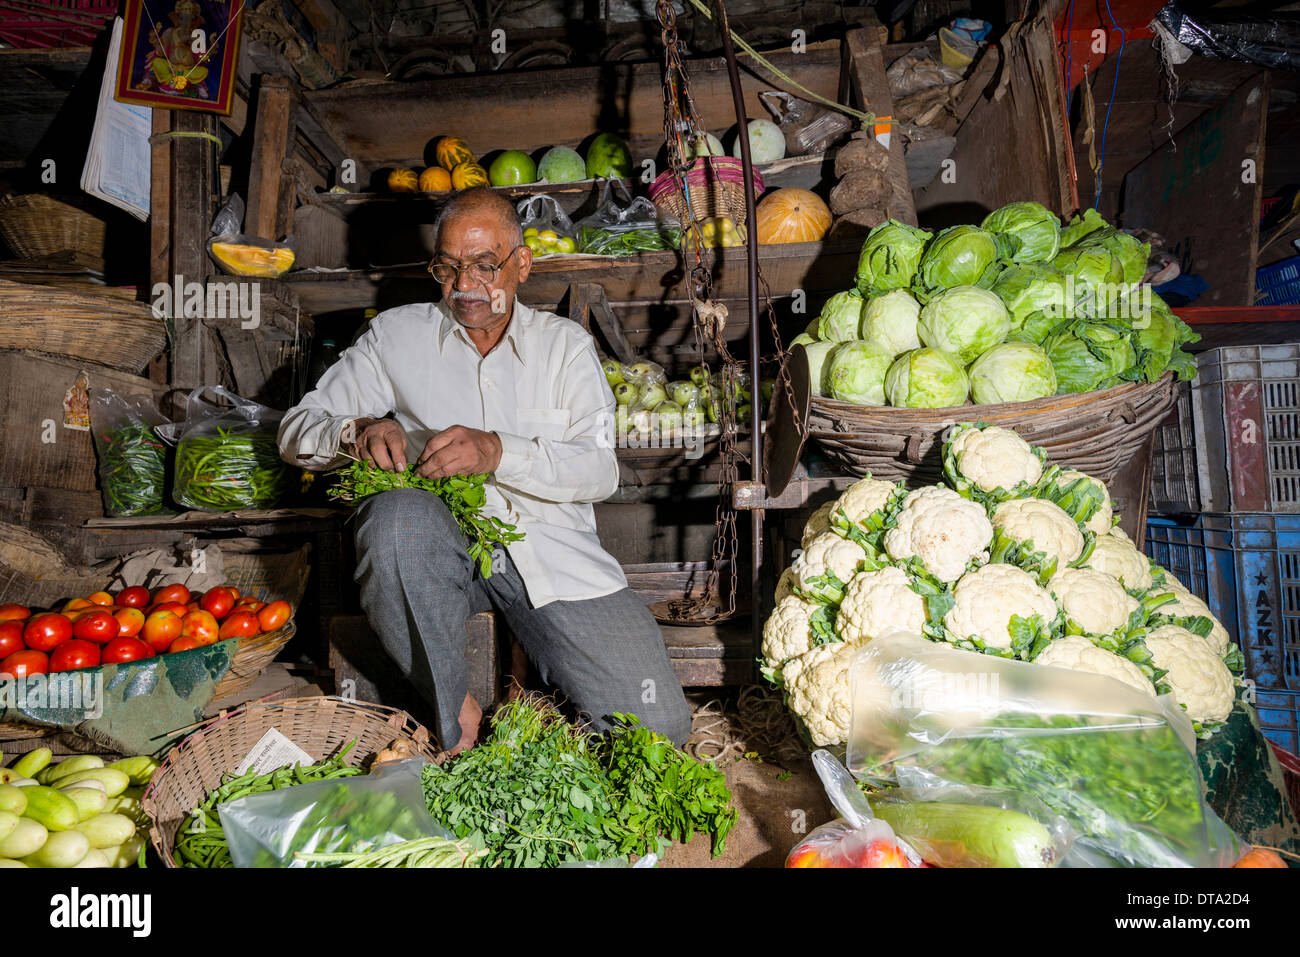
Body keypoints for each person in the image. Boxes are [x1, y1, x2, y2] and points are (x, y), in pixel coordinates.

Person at [278, 187, 691, 753]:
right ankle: (455, 713)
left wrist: (500, 451)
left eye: (483, 266)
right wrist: (354, 431)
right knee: (396, 516)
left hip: (550, 554)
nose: (465, 286)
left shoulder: (564, 347)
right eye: (447, 268)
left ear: (521, 264)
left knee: (658, 728)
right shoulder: (396, 336)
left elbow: (599, 469)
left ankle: (551, 720)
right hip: (435, 548)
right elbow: (296, 431)